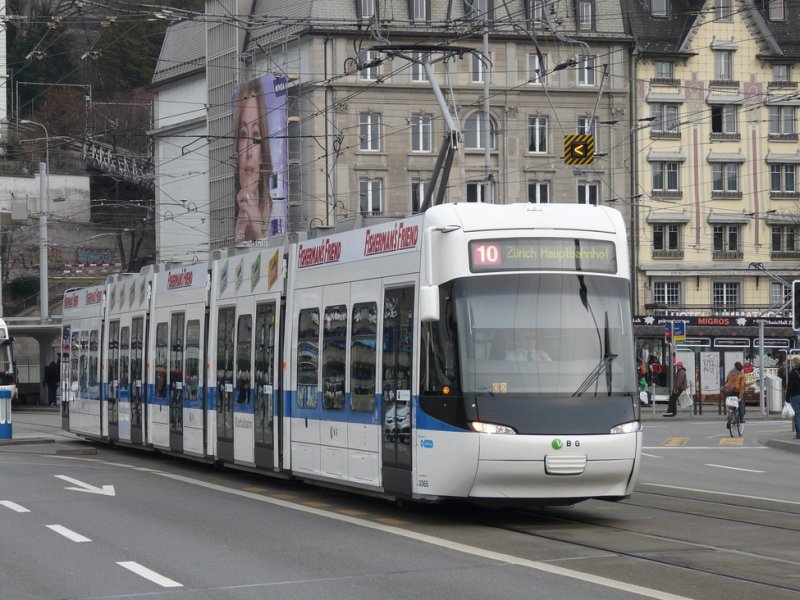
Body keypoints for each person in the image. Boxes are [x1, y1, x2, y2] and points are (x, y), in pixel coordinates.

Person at [233, 77, 273, 245]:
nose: (249, 151)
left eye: (256, 136)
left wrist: (259, 233)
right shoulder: (235, 211)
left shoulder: (277, 210)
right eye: (243, 135)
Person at [785, 356, 800, 439]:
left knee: (797, 415)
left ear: (794, 363)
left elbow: (789, 387)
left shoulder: (793, 373)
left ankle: (799, 434)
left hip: (795, 396)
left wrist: (787, 398)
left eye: (792, 362)